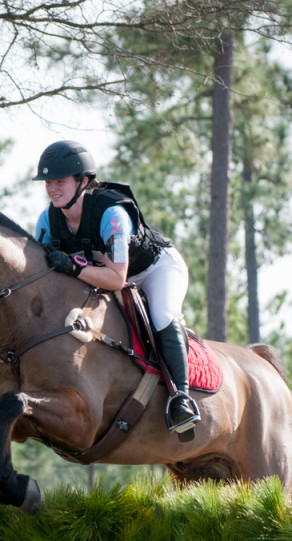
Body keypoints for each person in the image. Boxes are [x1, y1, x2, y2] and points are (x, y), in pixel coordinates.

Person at [32, 139, 199, 435]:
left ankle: (181, 398)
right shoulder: (47, 221)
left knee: (161, 315)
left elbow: (116, 279)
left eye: (59, 181)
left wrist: (73, 267)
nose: (52, 189)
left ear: (83, 181)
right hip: (104, 276)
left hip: (155, 270)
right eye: (48, 182)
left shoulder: (112, 215)